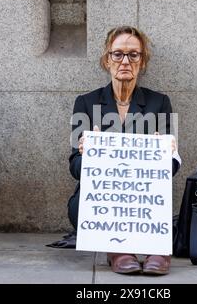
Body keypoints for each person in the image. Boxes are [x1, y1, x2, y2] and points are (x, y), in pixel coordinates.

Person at [67, 26, 181, 275]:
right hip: (103, 199)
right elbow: (74, 168)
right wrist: (86, 153)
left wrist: (166, 154)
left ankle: (157, 249)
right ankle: (118, 250)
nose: (125, 61)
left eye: (133, 55)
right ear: (107, 60)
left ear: (142, 61)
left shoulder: (159, 102)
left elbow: (172, 168)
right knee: (78, 207)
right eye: (118, 54)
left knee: (157, 207)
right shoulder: (85, 103)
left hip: (143, 198)